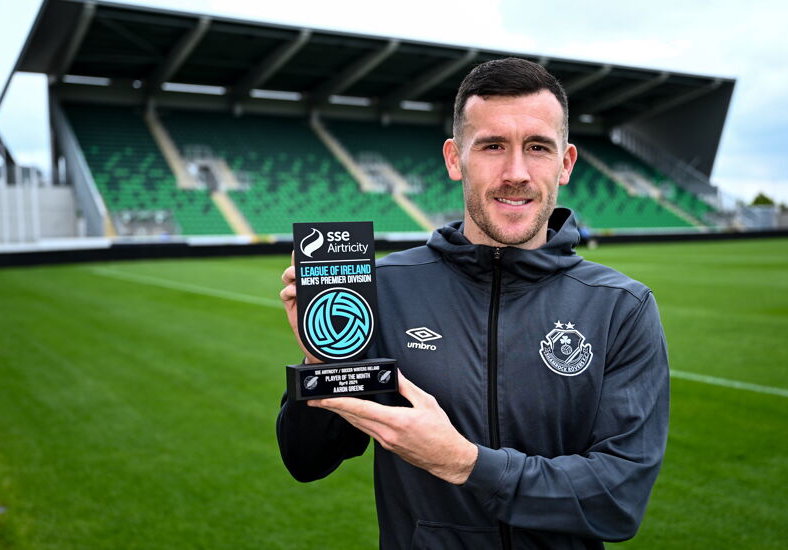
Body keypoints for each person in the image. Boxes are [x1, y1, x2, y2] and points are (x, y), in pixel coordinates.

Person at [277, 57, 669, 550]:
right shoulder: (383, 287)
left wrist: (464, 462)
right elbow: (306, 460)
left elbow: (617, 498)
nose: (516, 172)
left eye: (537, 147)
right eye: (492, 146)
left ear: (566, 163)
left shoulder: (621, 307)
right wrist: (325, 357)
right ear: (454, 157)